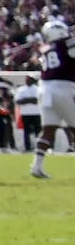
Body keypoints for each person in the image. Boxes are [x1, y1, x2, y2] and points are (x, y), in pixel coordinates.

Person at [38, 15, 71, 180]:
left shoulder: (45, 48)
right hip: (63, 87)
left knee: (48, 129)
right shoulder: (66, 45)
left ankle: (36, 166)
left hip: (45, 89)